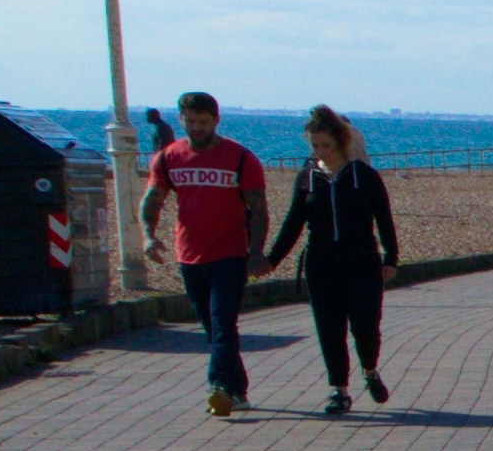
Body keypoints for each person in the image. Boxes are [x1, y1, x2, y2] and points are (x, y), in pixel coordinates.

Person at [139, 88, 275, 417]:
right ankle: (238, 390)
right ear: (181, 120)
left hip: (230, 254)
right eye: (190, 121)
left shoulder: (241, 158)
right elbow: (153, 200)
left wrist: (256, 251)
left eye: (203, 121)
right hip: (189, 255)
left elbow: (258, 208)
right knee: (213, 329)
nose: (196, 128)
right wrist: (148, 236)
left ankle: (217, 386)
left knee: (224, 323)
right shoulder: (168, 157)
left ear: (216, 120)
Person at [259, 106, 399, 417]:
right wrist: (271, 259)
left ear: (341, 142)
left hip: (362, 262)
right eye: (315, 146)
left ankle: (370, 370)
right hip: (322, 264)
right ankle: (340, 389)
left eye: (327, 145)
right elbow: (293, 223)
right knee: (329, 328)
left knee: (365, 327)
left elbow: (384, 220)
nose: (321, 152)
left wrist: (391, 258)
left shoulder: (364, 176)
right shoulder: (308, 178)